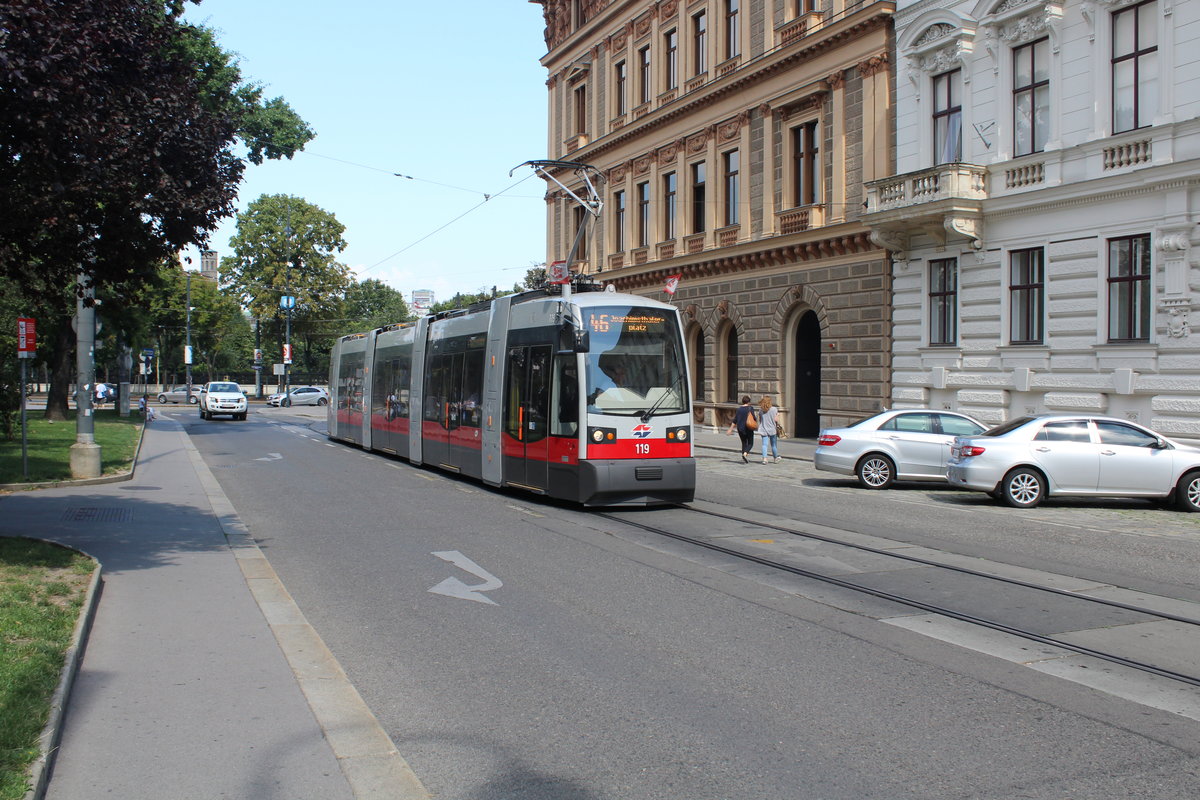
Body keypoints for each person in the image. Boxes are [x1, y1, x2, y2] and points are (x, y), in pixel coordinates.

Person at [725, 395, 757, 463]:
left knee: (744, 443)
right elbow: (754, 418)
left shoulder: (739, 409)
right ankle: (745, 454)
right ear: (749, 402)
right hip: (748, 428)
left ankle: (744, 456)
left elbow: (735, 420)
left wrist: (730, 429)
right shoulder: (750, 408)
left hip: (740, 429)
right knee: (750, 443)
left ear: (742, 401)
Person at [758, 395, 780, 464]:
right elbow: (776, 420)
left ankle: (764, 459)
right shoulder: (774, 409)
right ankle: (775, 458)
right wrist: (778, 415)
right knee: (773, 445)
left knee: (764, 445)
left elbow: (760, 420)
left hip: (764, 429)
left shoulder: (761, 410)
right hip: (772, 429)